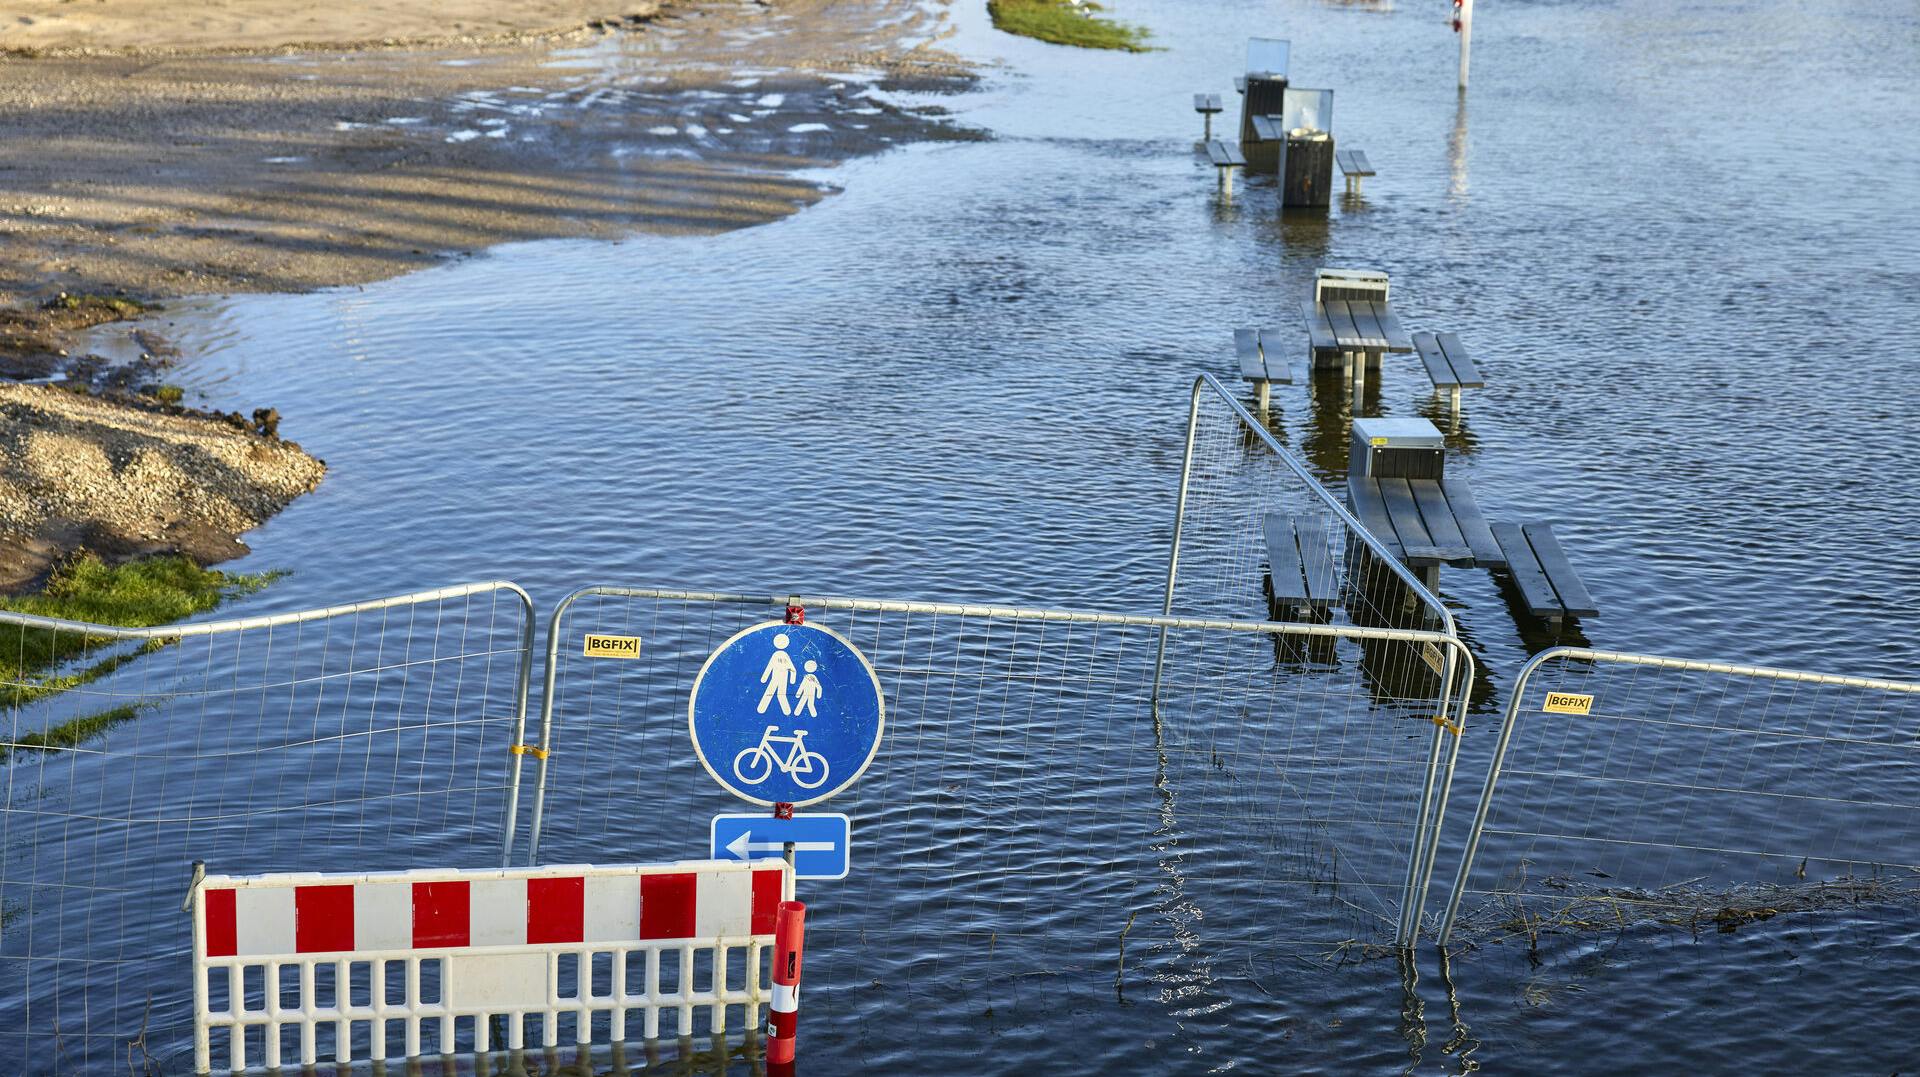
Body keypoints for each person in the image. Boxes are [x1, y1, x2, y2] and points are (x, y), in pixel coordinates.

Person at [757, 633, 797, 715]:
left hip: (777, 678)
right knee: (780, 694)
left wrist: (764, 678)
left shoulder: (778, 655)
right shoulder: (783, 655)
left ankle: (763, 709)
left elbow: (770, 667)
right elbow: (792, 669)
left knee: (773, 693)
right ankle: (786, 712)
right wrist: (792, 679)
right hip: (779, 678)